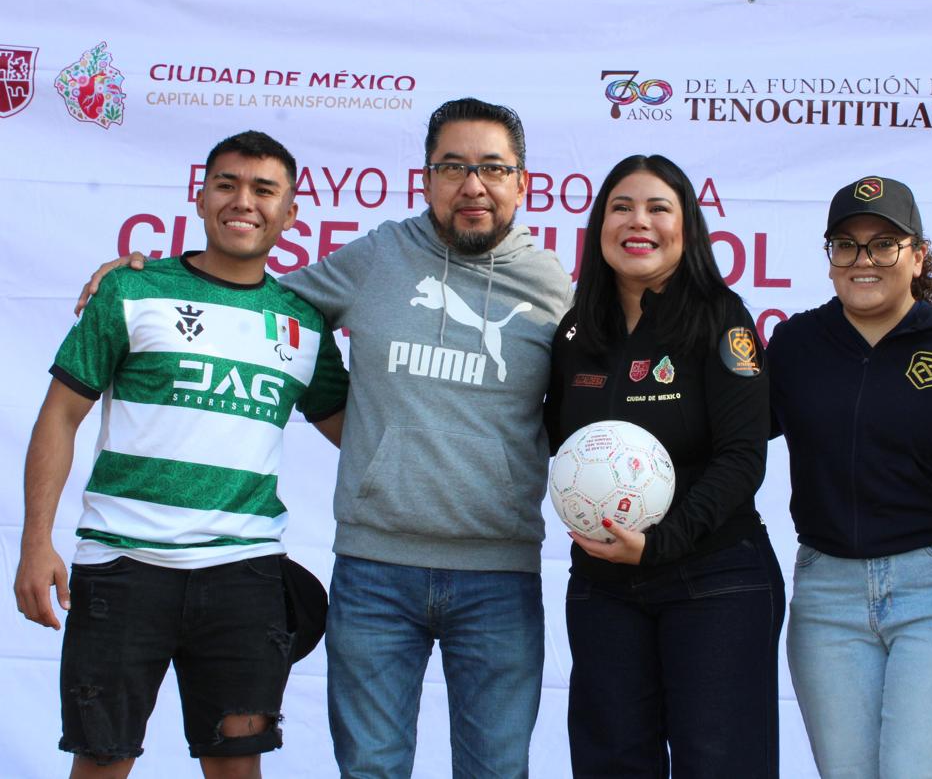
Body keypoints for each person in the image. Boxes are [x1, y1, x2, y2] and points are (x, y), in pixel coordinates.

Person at [76, 99, 574, 778]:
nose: (473, 184)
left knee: (496, 770)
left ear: (522, 182)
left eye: (493, 168)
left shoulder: (553, 286)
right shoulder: (378, 256)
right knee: (370, 770)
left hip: (500, 575)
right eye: (452, 167)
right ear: (426, 178)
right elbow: (253, 297)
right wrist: (147, 277)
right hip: (375, 571)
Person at [16, 130, 348, 779]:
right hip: (121, 568)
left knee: (236, 769)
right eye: (227, 184)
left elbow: (359, 435)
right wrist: (36, 541)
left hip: (245, 577)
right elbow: (59, 415)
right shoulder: (131, 289)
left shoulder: (304, 322)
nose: (243, 201)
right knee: (101, 762)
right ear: (200, 198)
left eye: (263, 189)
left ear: (289, 213)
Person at [544, 154, 784, 778]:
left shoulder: (721, 318)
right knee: (610, 765)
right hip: (602, 587)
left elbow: (743, 457)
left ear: (687, 226)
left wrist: (659, 544)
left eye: (658, 208)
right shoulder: (576, 332)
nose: (638, 221)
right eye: (621, 207)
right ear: (600, 226)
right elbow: (558, 443)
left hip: (714, 581)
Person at [767, 176, 932, 779]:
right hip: (828, 593)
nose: (863, 260)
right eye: (846, 245)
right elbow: (726, 438)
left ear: (918, 256)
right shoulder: (795, 344)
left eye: (883, 244)